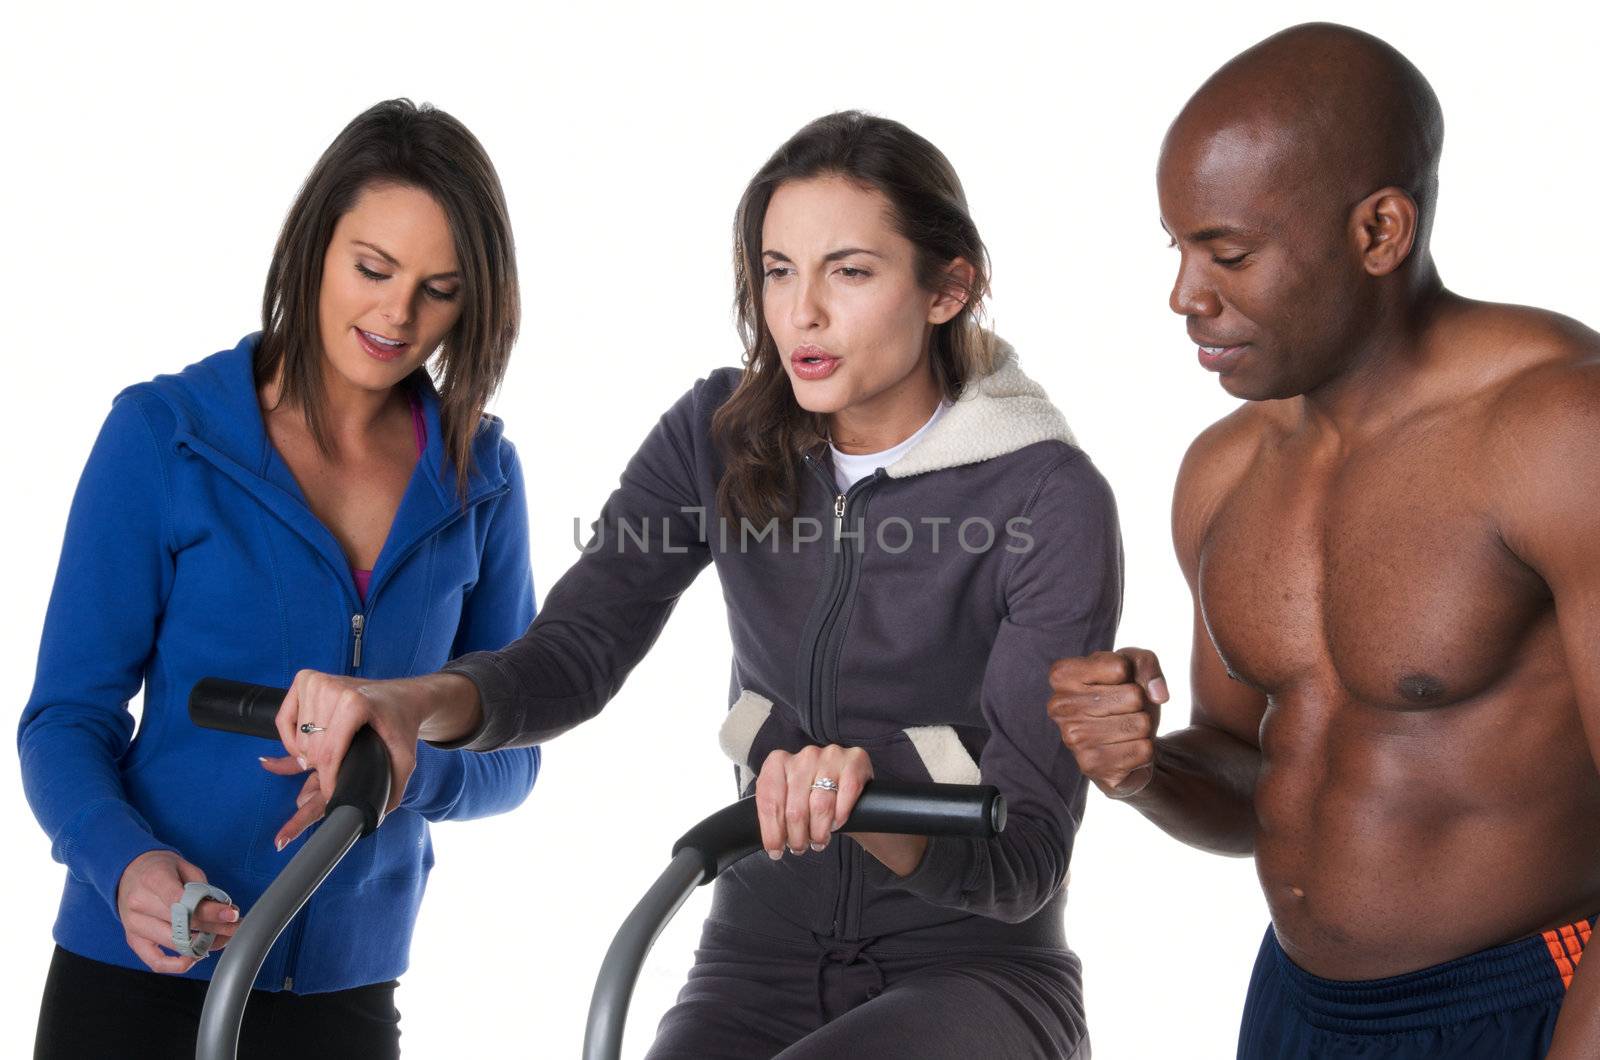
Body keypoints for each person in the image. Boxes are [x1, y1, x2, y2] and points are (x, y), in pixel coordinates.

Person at [276, 110, 1121, 1058]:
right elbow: (571, 657)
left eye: (849, 271)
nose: (800, 313)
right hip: (757, 958)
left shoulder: (1046, 497)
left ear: (947, 288)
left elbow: (1028, 857)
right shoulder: (715, 436)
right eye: (776, 270)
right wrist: (408, 703)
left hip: (975, 971)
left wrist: (870, 801)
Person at [1049, 21, 1600, 1060]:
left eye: (1229, 251)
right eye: (1175, 248)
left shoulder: (1559, 434)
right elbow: (1252, 776)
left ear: (1379, 230)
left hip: (1527, 1001)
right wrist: (1142, 771)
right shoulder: (1223, 471)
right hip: (1296, 1009)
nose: (1184, 295)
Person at [19, 98, 539, 1059]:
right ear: (314, 248)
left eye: (440, 289)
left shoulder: (481, 480)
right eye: (372, 268)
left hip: (341, 993)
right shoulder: (164, 437)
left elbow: (516, 751)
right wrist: (122, 863)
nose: (396, 315)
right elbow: (64, 719)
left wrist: (405, 770)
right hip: (140, 978)